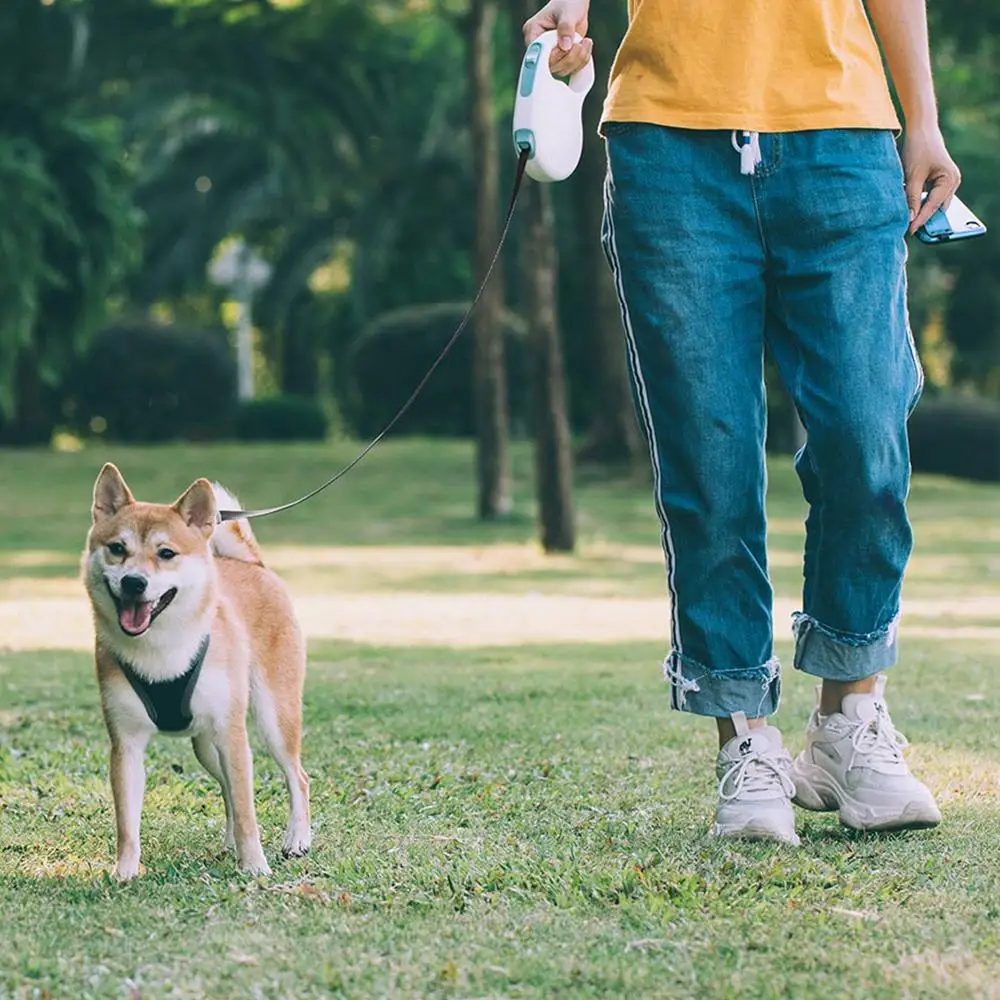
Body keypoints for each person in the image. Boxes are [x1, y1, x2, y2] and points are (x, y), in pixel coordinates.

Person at [523, 0, 960, 844]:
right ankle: (745, 741)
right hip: (670, 141)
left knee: (866, 436)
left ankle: (849, 722)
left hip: (842, 136)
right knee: (708, 462)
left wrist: (924, 120)